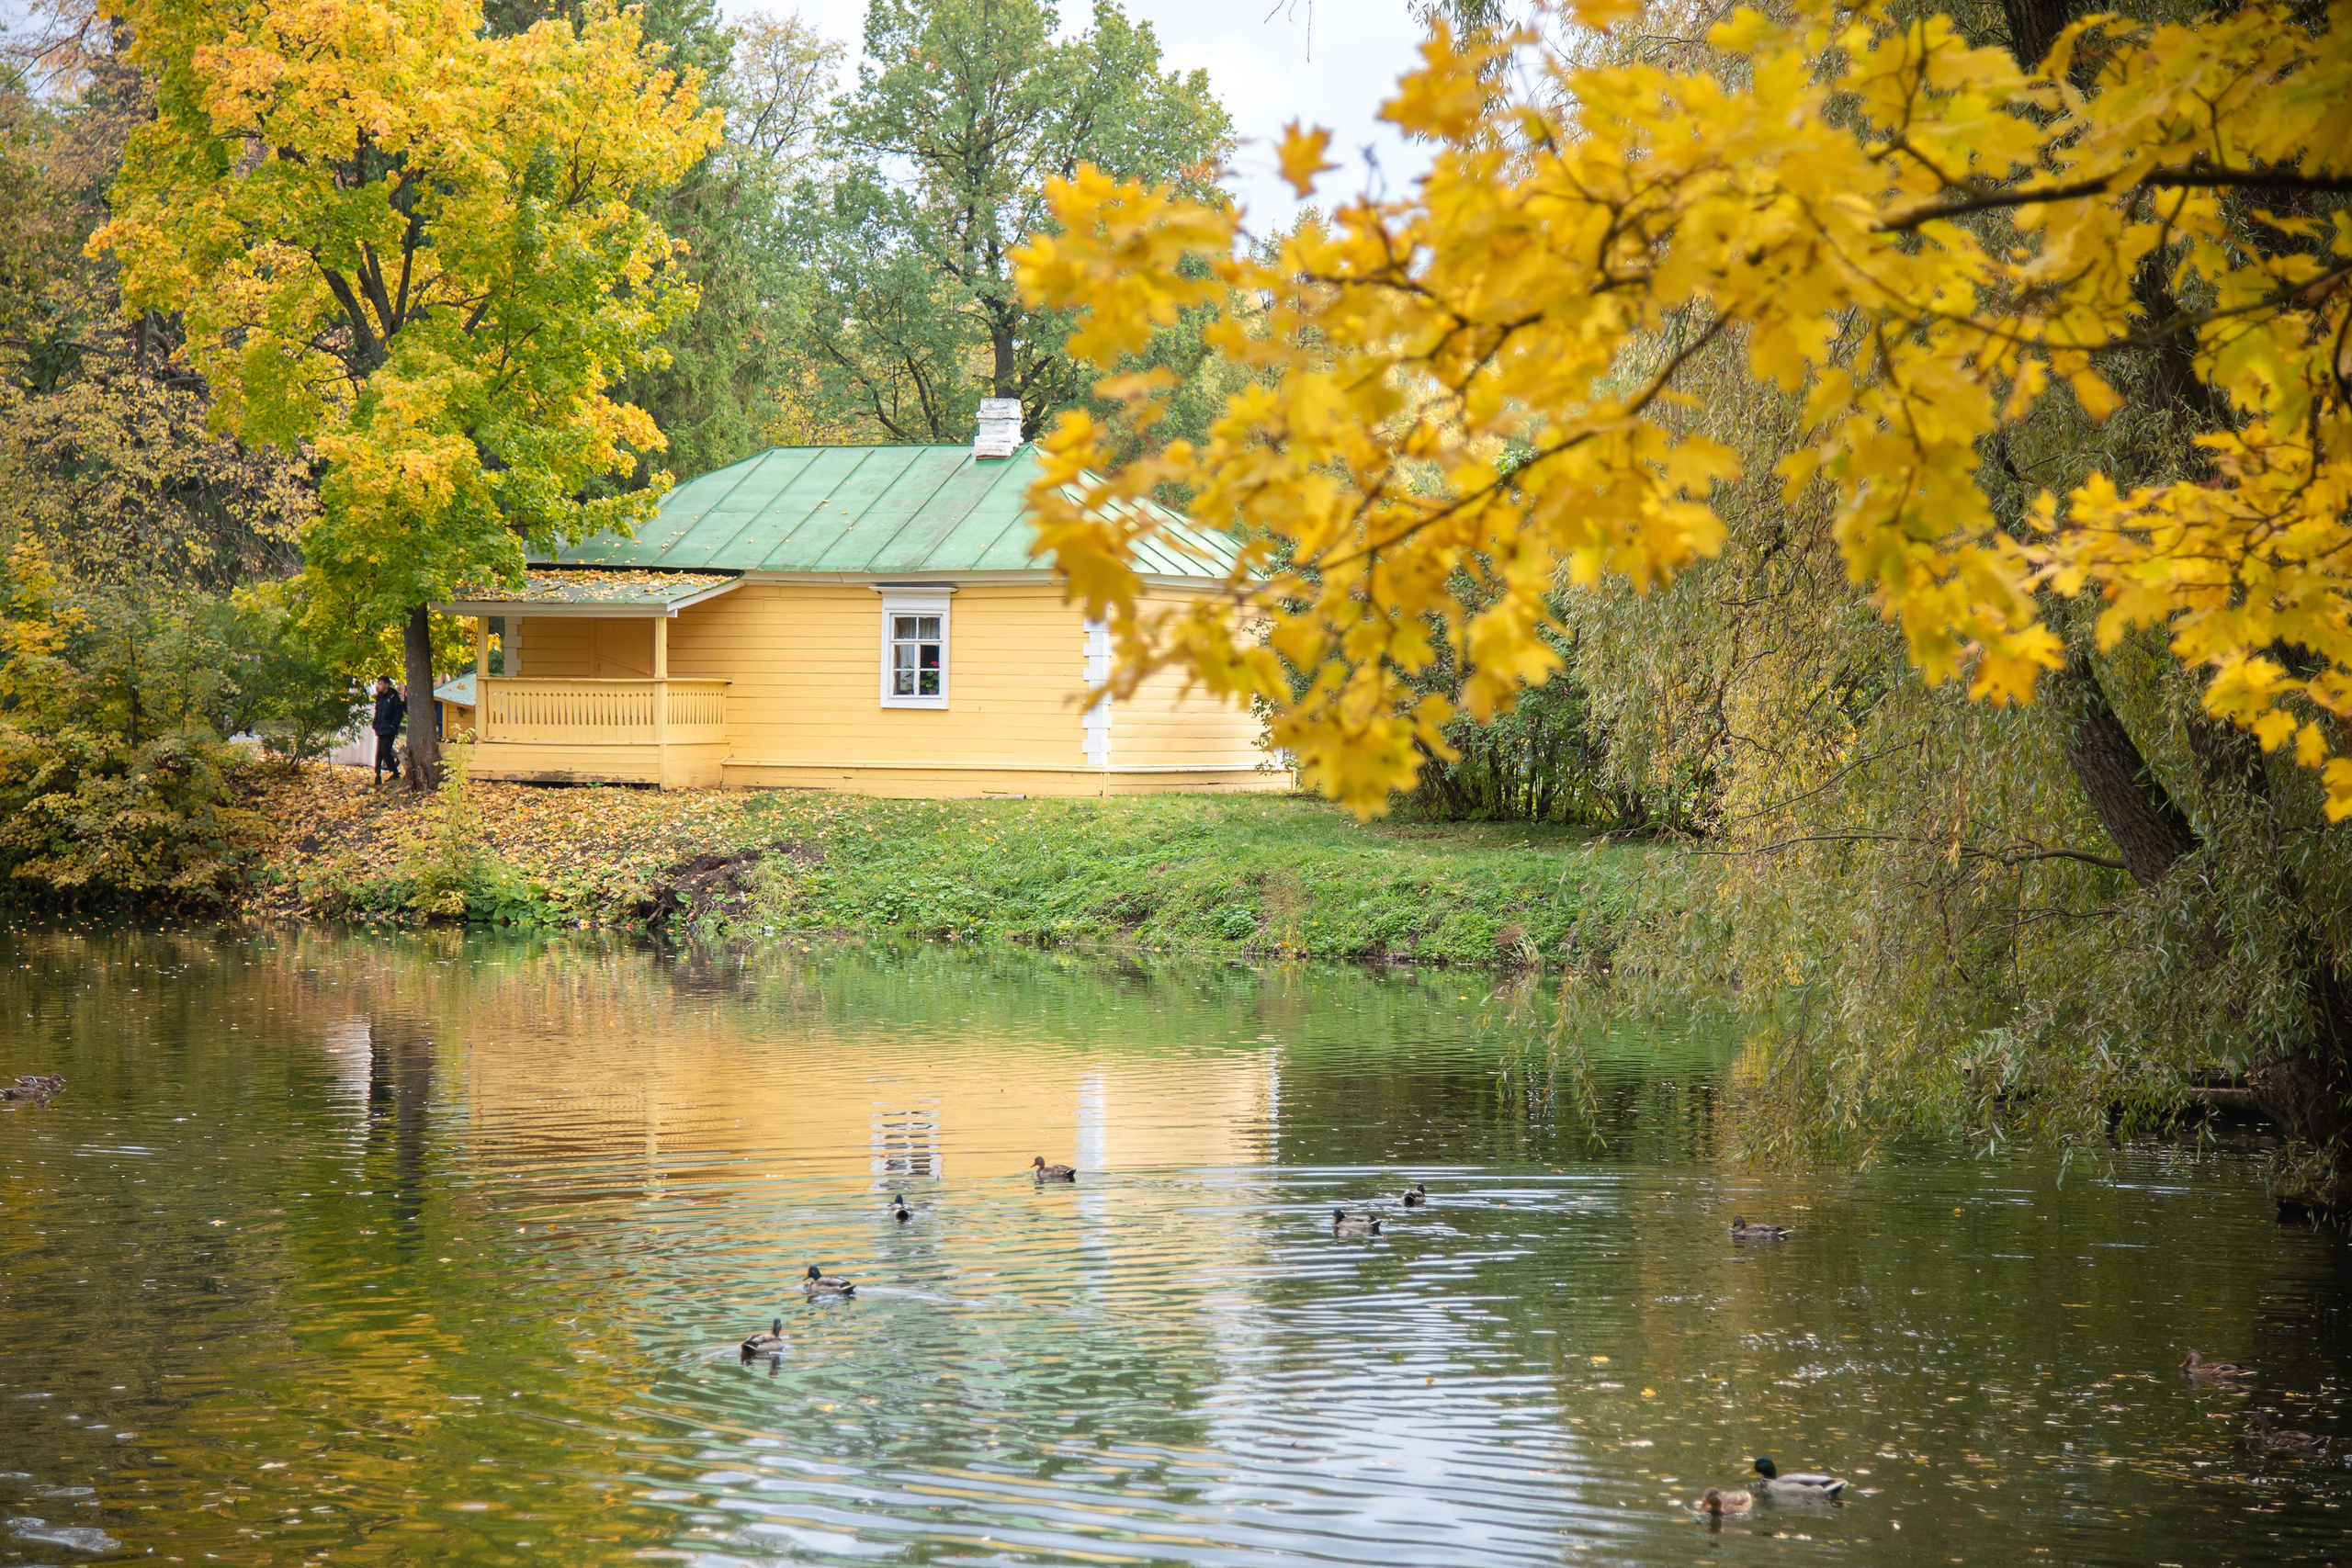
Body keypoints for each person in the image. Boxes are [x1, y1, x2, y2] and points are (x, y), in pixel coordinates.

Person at [370, 676, 406, 784]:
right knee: (379, 753)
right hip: (380, 728)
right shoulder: (380, 697)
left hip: (389, 729)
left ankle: (395, 772)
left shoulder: (393, 696)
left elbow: (399, 712)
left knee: (385, 751)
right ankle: (377, 775)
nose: (379, 686)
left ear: (387, 685)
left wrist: (394, 725)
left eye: (381, 684)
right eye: (378, 684)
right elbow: (377, 712)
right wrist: (375, 723)